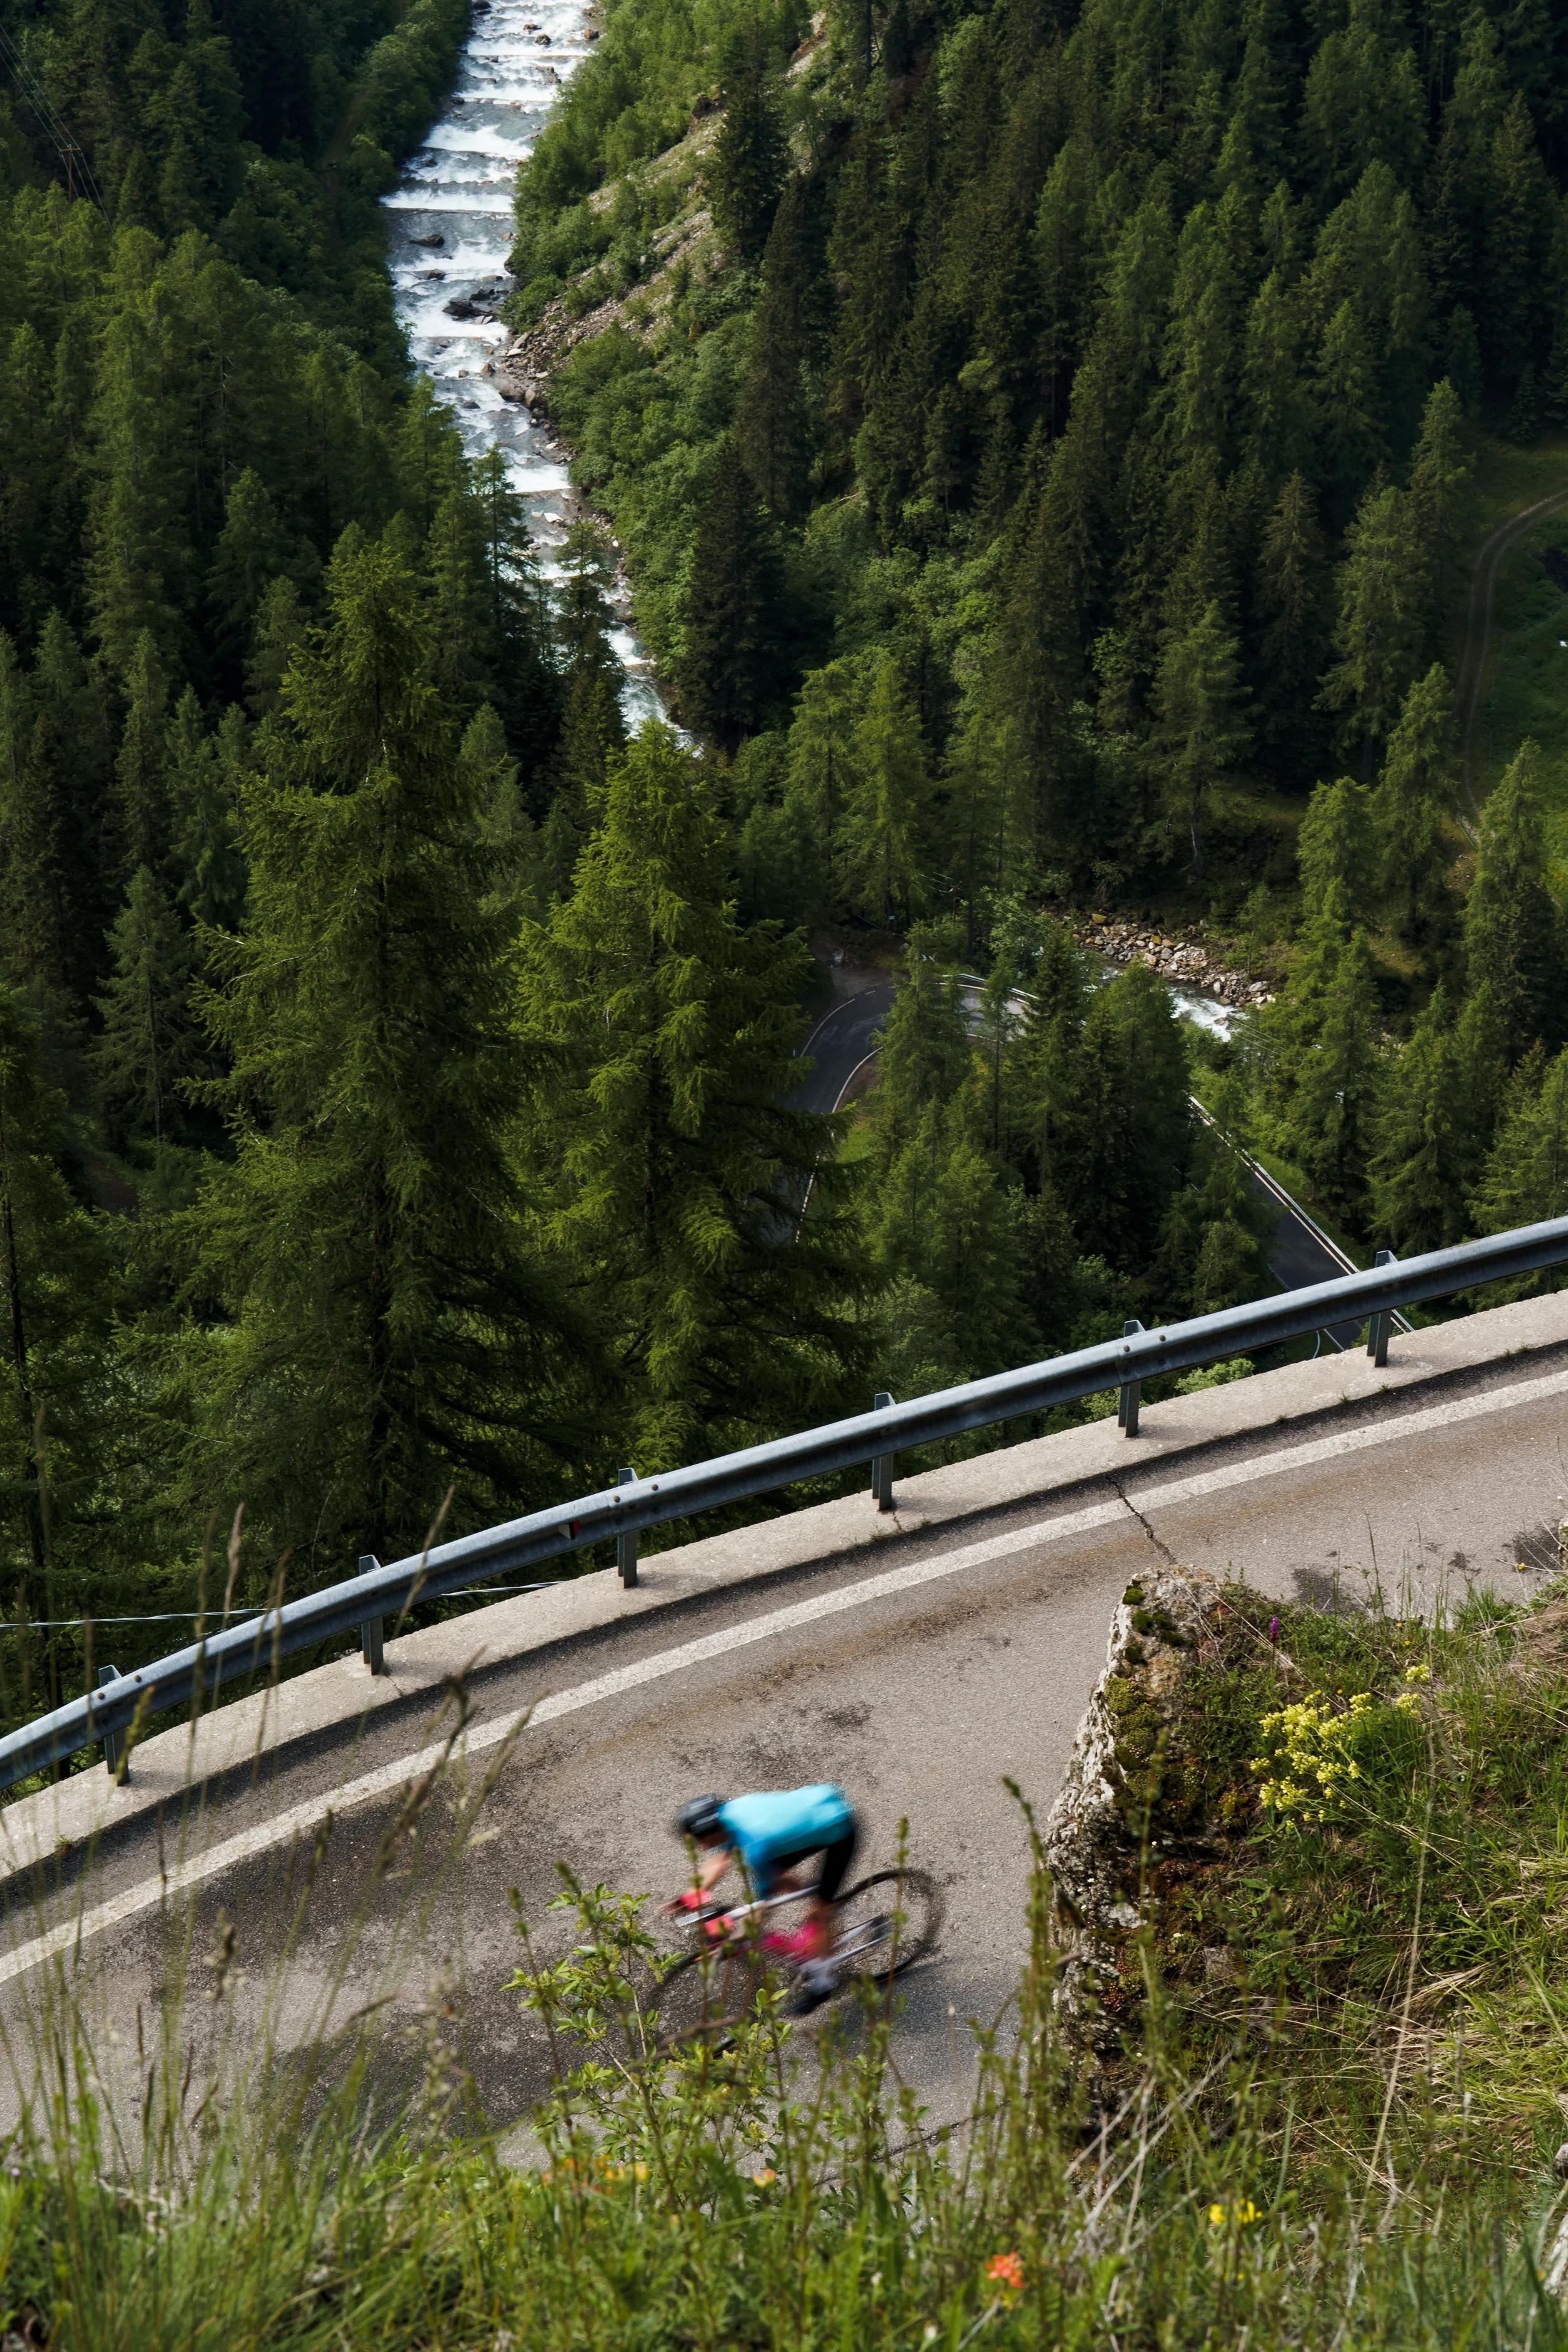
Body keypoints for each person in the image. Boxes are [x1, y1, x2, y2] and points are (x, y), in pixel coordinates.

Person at [666, 1785, 858, 2012]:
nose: (698, 1847)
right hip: (806, 1821)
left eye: (698, 1841)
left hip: (838, 1828)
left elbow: (761, 1912)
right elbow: (720, 1860)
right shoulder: (727, 1819)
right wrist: (691, 1896)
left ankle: (824, 1983)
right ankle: (815, 1896)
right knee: (778, 1878)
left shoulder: (755, 1845)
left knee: (819, 1913)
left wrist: (735, 1940)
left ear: (709, 1834)